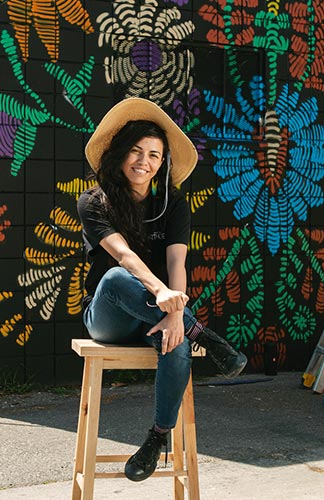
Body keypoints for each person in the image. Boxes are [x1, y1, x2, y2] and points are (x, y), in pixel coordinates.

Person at [77, 97, 247, 482]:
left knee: (177, 341)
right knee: (118, 278)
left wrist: (174, 316)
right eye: (136, 151)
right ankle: (203, 332)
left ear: (163, 162)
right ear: (120, 154)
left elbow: (176, 264)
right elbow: (124, 257)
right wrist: (166, 301)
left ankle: (156, 438)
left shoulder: (173, 204)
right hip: (108, 316)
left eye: (154, 155)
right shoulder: (93, 201)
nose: (144, 161)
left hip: (156, 314)